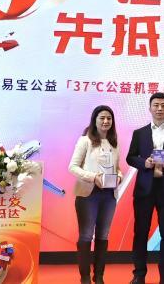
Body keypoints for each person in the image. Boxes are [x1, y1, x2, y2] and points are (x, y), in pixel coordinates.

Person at [127, 92, 164, 284]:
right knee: (141, 233)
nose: (159, 109)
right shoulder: (140, 133)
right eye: (156, 105)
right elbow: (130, 157)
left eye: (163, 105)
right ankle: (139, 275)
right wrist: (144, 163)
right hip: (144, 189)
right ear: (150, 108)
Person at [69, 105, 123, 284]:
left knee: (103, 236)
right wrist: (93, 177)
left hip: (109, 196)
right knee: (86, 235)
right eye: (102, 118)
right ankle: (85, 277)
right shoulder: (85, 141)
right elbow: (73, 167)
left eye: (109, 118)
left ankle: (99, 276)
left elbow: (118, 168)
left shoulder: (114, 142)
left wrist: (120, 176)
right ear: (95, 120)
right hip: (88, 195)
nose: (106, 121)